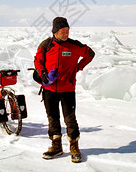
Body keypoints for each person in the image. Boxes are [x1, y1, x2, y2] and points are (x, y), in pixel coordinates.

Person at [34, 17, 95, 163]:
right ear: (55, 31)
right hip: (49, 89)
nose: (66, 33)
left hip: (67, 89)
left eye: (67, 30)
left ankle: (74, 147)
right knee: (53, 118)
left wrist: (79, 67)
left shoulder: (74, 45)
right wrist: (43, 73)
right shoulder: (46, 45)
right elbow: (38, 61)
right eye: (63, 31)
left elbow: (90, 54)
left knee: (70, 119)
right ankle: (56, 146)